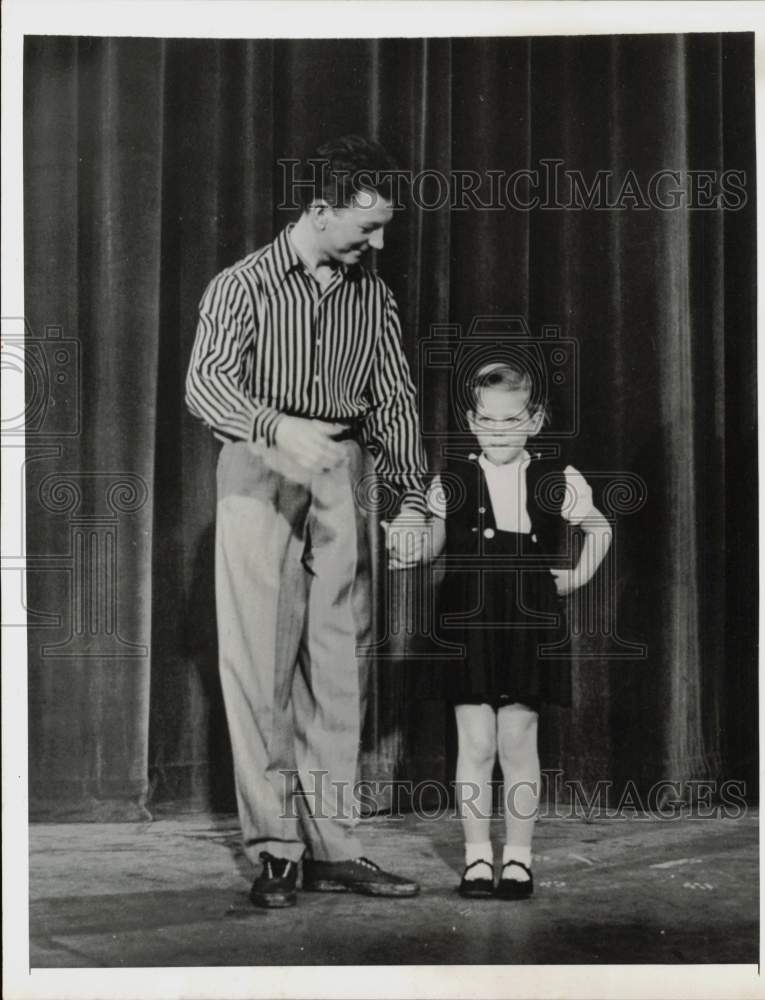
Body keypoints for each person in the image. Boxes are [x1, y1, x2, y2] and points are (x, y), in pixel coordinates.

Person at [185, 135, 430, 907]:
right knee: (260, 665)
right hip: (262, 467)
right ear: (319, 210)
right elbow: (205, 385)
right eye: (368, 225)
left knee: (336, 664)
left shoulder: (374, 294)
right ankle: (277, 850)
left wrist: (412, 496)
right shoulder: (242, 285)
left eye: (385, 227)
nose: (378, 241)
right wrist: (271, 427)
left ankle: (333, 846)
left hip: (339, 469)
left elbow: (392, 399)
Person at [427, 361, 611, 900]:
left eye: (511, 421)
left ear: (532, 421)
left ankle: (520, 859)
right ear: (471, 421)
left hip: (528, 620)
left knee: (517, 740)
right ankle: (478, 858)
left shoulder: (556, 478)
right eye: (487, 420)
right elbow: (433, 545)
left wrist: (576, 578)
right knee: (476, 743)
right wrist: (407, 544)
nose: (498, 431)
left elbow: (599, 529)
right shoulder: (452, 480)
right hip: (467, 617)